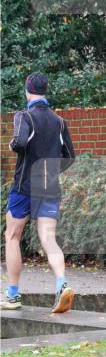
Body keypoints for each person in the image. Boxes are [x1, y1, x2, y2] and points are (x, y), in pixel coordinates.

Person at [2, 73, 76, 313]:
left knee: (12, 236)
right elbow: (70, 157)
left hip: (24, 187)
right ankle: (61, 283)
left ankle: (12, 295)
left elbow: (20, 143)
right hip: (50, 186)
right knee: (48, 239)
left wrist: (12, 145)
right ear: (45, 91)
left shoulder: (24, 116)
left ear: (27, 91)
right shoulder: (59, 121)